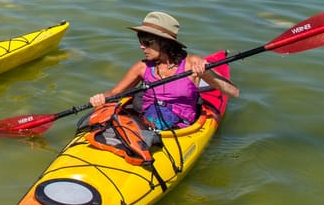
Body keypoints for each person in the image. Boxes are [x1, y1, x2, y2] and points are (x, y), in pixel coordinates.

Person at [89, 11, 239, 129]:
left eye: (147, 42)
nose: (142, 46)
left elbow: (233, 92)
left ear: (166, 43)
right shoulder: (142, 67)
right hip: (147, 120)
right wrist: (100, 98)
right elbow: (114, 94)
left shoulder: (192, 64)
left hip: (179, 126)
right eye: (140, 41)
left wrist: (207, 73)